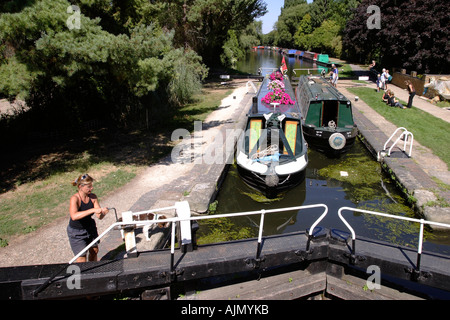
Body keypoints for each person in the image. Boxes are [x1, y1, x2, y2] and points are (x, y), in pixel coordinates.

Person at [67, 173, 109, 262]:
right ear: (80, 187)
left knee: (94, 251)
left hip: (90, 228)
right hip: (76, 232)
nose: (91, 188)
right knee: (82, 257)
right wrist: (93, 210)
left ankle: (93, 270)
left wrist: (103, 213)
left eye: (91, 186)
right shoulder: (75, 199)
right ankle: (83, 275)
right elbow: (74, 216)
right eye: (89, 187)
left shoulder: (93, 197)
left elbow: (99, 216)